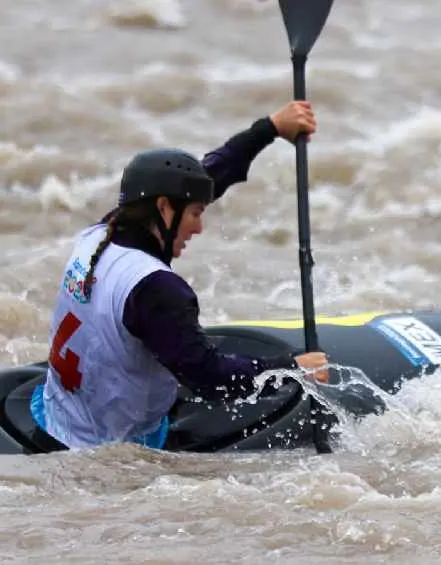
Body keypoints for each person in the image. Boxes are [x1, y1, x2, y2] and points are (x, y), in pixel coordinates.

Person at [29, 101, 329, 451]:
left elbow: (207, 176)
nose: (199, 228)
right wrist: (292, 368)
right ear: (163, 208)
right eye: (195, 214)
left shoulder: (102, 232)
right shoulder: (156, 289)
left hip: (56, 414)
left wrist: (269, 129)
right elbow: (209, 378)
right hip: (107, 446)